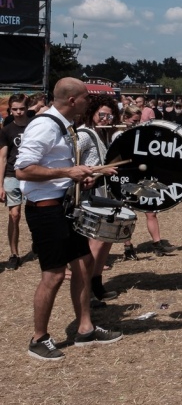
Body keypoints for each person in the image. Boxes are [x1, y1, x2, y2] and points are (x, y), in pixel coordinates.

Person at [16, 78, 122, 361]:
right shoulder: (44, 126)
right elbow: (23, 170)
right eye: (87, 97)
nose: (91, 101)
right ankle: (39, 338)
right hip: (45, 211)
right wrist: (68, 173)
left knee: (85, 263)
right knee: (52, 275)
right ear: (73, 100)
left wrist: (82, 176)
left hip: (63, 206)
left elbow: (56, 165)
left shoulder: (64, 126)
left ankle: (85, 328)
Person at [76, 94, 122, 301]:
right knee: (95, 242)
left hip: (103, 190)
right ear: (92, 113)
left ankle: (97, 283)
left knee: (105, 240)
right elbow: (72, 162)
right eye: (102, 115)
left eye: (110, 116)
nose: (106, 119)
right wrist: (96, 172)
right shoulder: (84, 134)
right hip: (90, 193)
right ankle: (87, 291)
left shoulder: (102, 135)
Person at [113, 105, 172, 261]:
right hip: (125, 176)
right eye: (133, 121)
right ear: (125, 118)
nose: (136, 123)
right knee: (126, 213)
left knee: (151, 211)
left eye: (138, 121)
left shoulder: (140, 133)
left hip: (141, 175)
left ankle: (158, 244)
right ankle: (128, 247)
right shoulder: (118, 134)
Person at [0, 94, 31, 270]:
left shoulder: (35, 127)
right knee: (14, 215)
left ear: (27, 109)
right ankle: (14, 253)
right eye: (15, 109)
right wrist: (0, 185)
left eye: (21, 108)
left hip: (32, 175)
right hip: (12, 175)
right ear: (10, 110)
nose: (18, 112)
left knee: (38, 214)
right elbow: (3, 158)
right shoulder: (6, 130)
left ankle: (40, 245)